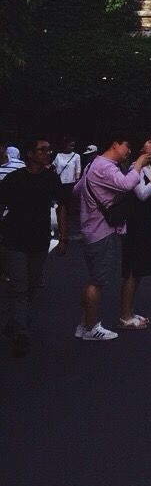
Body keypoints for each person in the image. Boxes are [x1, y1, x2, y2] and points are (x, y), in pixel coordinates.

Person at [76, 134, 151, 341]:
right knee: (97, 281)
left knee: (96, 278)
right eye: (127, 146)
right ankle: (91, 328)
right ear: (115, 144)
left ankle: (84, 324)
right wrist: (140, 163)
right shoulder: (106, 166)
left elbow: (77, 189)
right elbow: (127, 185)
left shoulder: (93, 165)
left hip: (91, 226)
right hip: (100, 229)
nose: (129, 151)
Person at [0, 136, 69, 356]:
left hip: (39, 240)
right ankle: (21, 332)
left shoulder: (50, 178)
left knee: (33, 283)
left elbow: (61, 206)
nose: (47, 153)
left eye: (49, 149)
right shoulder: (15, 179)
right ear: (30, 154)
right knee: (19, 284)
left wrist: (63, 236)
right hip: (14, 239)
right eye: (42, 150)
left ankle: (15, 319)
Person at [119, 150, 151, 330]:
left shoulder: (148, 167)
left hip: (147, 221)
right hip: (136, 224)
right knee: (132, 270)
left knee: (139, 270)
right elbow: (141, 193)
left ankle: (130, 313)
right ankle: (124, 316)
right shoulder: (135, 168)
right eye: (150, 142)